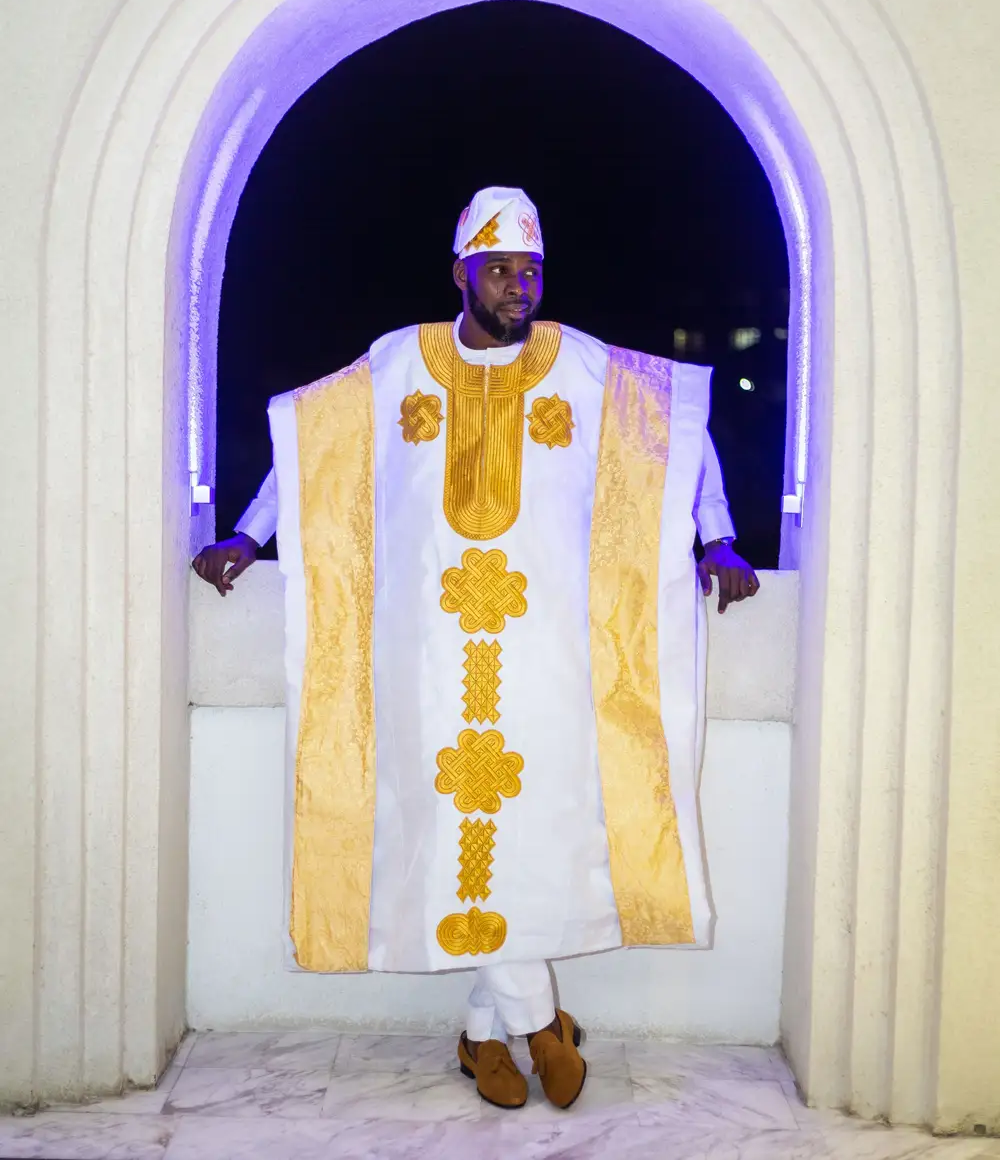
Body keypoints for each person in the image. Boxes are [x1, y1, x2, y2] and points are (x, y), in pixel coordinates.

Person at [194, 186, 758, 1110]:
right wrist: (248, 538)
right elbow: (312, 454)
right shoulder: (397, 364)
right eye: (500, 268)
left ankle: (484, 1035)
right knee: (455, 837)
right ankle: (538, 1025)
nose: (518, 285)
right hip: (426, 658)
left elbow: (678, 433)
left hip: (545, 658)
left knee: (526, 839)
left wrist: (720, 538)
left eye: (531, 269)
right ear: (460, 270)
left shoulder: (580, 365)